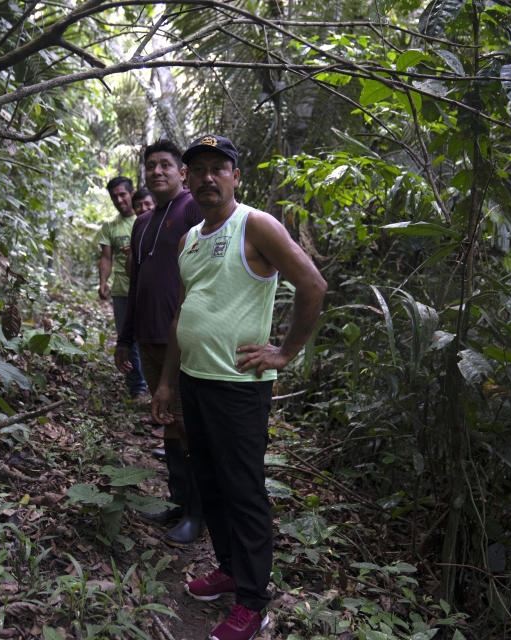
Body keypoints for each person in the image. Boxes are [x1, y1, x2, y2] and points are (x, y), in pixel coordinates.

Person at [151, 135, 326, 640]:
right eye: (198, 169)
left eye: (218, 168)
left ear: (235, 176)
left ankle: (253, 601)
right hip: (194, 381)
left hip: (238, 387)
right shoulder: (190, 238)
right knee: (209, 481)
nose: (207, 177)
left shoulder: (255, 224)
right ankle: (228, 569)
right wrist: (165, 382)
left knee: (244, 491)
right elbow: (186, 310)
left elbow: (312, 284)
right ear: (187, 179)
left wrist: (285, 353)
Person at [116, 140, 204, 546]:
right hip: (149, 339)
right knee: (167, 421)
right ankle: (178, 500)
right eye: (150, 166)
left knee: (189, 425)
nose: (157, 172)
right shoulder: (143, 221)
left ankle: (197, 514)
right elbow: (135, 285)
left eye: (166, 165)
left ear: (181, 171)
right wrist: (124, 338)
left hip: (183, 339)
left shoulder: (191, 208)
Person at [97, 176, 147, 401]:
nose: (119, 200)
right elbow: (106, 257)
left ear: (132, 193)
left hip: (148, 290)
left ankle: (155, 386)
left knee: (151, 338)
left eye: (122, 194)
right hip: (122, 291)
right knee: (128, 340)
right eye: (114, 196)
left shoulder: (148, 217)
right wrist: (103, 282)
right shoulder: (110, 226)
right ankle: (137, 388)